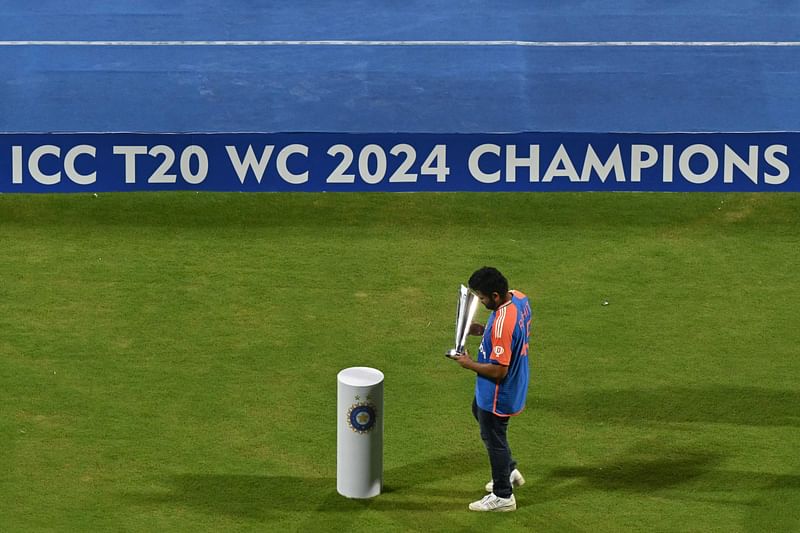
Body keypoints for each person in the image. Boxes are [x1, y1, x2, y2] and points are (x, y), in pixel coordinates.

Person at [451, 266, 532, 512]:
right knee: (479, 414)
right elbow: (512, 335)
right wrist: (485, 331)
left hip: (499, 392)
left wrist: (468, 364)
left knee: (494, 437)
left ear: (496, 295)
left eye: (483, 297)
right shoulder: (520, 298)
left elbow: (499, 370)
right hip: (510, 384)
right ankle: (509, 471)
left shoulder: (502, 323)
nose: (481, 301)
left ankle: (503, 496)